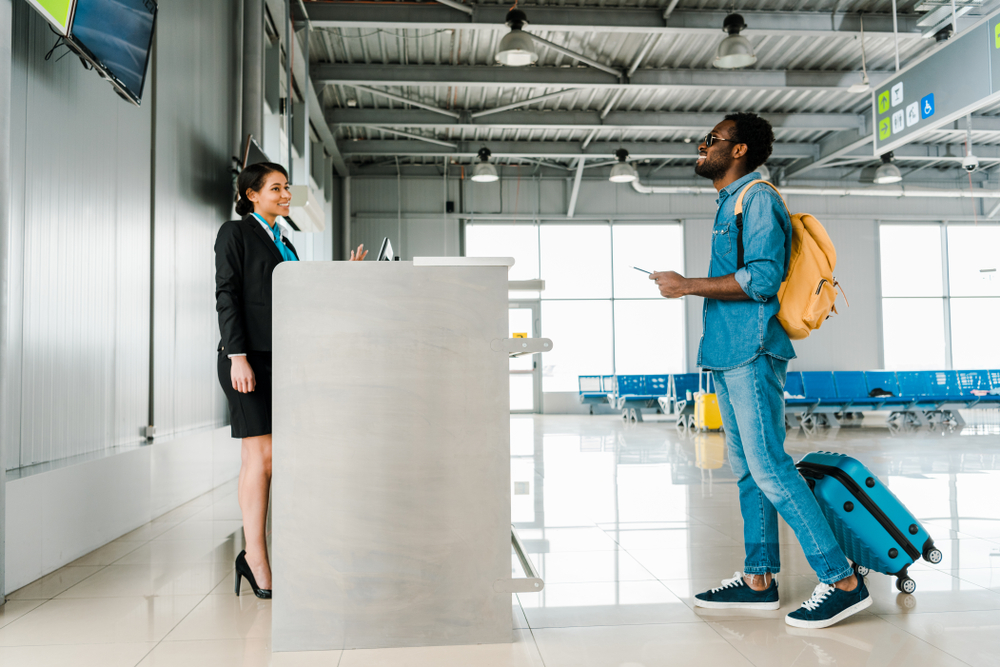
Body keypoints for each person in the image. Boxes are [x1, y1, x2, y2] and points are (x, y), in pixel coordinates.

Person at [649, 113, 871, 629]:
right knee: (748, 471)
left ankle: (842, 580)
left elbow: (764, 279)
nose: (701, 147)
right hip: (727, 353)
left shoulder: (758, 198)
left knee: (770, 466)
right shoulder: (730, 203)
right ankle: (758, 579)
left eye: (712, 140)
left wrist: (686, 285)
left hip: (752, 351)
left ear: (740, 149)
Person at [216, 162, 367, 598]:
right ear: (251, 195)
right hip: (249, 361)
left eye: (287, 188)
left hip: (282, 360)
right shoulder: (236, 233)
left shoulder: (286, 244)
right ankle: (256, 559)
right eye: (277, 188)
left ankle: (257, 555)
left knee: (267, 459)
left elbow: (304, 298)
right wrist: (236, 356)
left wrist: (344, 275)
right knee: (259, 459)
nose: (286, 195)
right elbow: (226, 294)